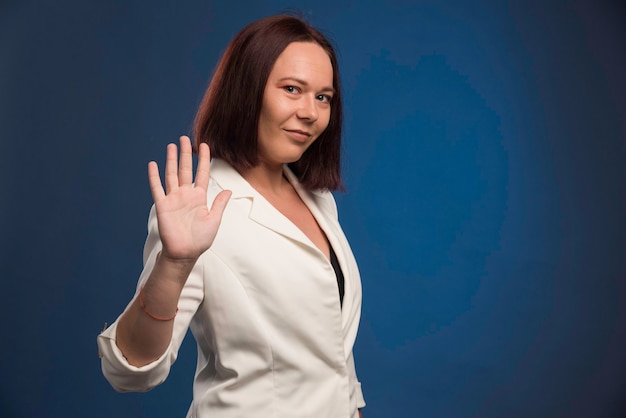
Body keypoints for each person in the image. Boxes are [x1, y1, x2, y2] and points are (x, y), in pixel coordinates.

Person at [97, 14, 365, 418]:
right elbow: (129, 372)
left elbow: (333, 359)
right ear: (246, 92)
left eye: (323, 97)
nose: (311, 112)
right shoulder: (201, 208)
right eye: (292, 89)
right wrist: (174, 263)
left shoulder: (317, 199)